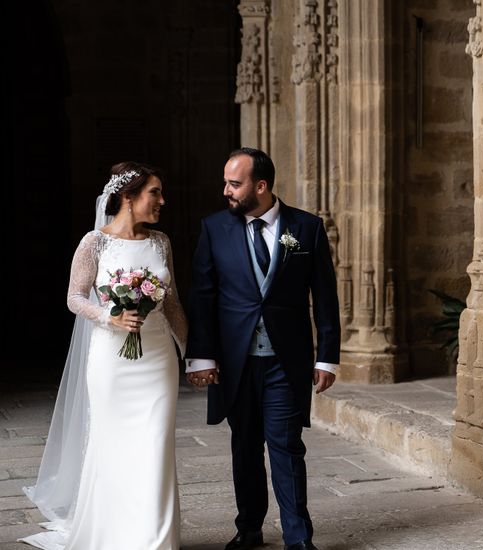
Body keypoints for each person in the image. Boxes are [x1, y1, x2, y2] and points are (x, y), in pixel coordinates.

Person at [21, 162, 188, 549]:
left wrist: (191, 354)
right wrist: (110, 315)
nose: (162, 200)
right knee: (114, 447)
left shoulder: (161, 242)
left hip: (158, 358)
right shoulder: (94, 242)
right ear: (128, 198)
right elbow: (74, 297)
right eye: (155, 193)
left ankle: (157, 540)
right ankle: (115, 533)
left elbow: (174, 302)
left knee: (156, 445)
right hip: (112, 361)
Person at [186, 148, 340, 550]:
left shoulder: (307, 228)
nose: (226, 191)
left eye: (234, 184)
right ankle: (250, 526)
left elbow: (325, 297)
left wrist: (327, 357)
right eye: (226, 182)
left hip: (285, 362)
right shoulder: (214, 228)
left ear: (261, 186)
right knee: (245, 446)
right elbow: (202, 297)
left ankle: (298, 537)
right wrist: (201, 357)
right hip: (234, 363)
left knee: (287, 445)